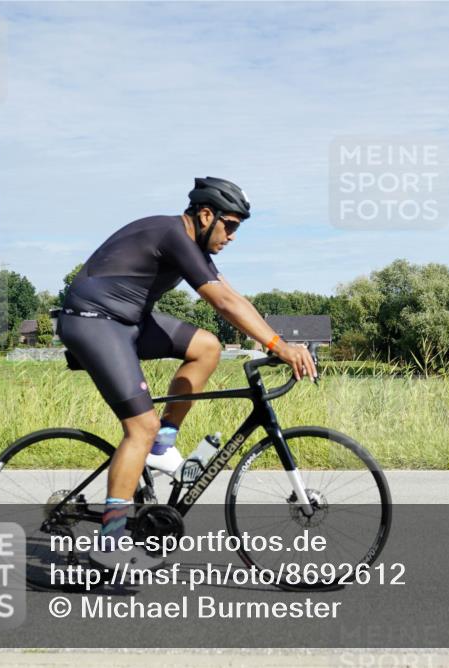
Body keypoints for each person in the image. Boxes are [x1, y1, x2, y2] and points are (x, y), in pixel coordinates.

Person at [56, 177, 317, 569]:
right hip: (94, 322)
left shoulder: (191, 246)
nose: (231, 236)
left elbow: (235, 296)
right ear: (206, 215)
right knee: (138, 427)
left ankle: (162, 445)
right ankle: (109, 542)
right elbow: (223, 302)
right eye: (230, 225)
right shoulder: (172, 234)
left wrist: (274, 340)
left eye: (237, 229)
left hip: (129, 321)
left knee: (207, 347)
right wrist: (278, 346)